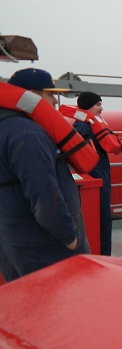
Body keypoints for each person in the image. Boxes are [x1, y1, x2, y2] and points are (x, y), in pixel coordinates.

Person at [0, 68, 89, 281]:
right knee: (65, 308)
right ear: (32, 95)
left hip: (15, 241)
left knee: (30, 307)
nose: (56, 101)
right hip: (47, 248)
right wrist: (71, 238)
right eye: (50, 94)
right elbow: (46, 196)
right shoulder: (27, 133)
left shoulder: (6, 127)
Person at [72, 92, 115, 255]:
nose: (101, 108)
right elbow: (83, 156)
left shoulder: (90, 124)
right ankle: (102, 257)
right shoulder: (82, 127)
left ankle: (103, 255)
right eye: (98, 104)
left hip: (100, 176)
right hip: (96, 178)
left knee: (103, 221)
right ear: (87, 106)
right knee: (100, 221)